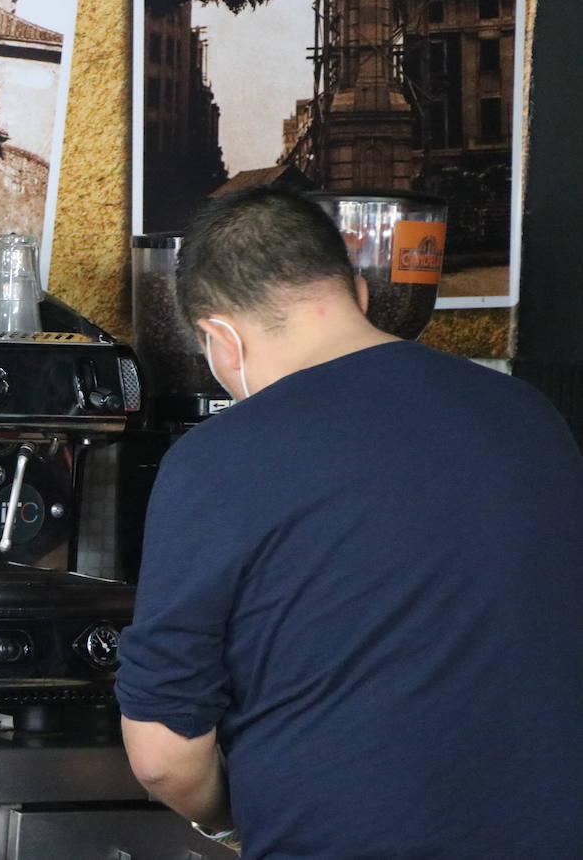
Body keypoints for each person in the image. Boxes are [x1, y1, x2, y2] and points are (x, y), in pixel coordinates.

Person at [114, 188, 583, 858]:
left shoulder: (219, 457)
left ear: (220, 338)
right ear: (358, 295)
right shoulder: (529, 415)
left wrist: (227, 819)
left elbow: (162, 754)